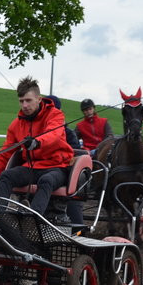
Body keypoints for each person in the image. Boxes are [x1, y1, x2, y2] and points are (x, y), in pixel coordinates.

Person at [0, 77, 74, 216]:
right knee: (6, 176)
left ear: (39, 99)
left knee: (46, 180)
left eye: (28, 100)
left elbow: (54, 134)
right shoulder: (15, 125)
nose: (25, 105)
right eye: (21, 101)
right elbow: (4, 155)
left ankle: (32, 219)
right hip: (32, 167)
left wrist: (37, 142)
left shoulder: (55, 115)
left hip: (57, 167)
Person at [46, 95, 84, 226]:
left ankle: (77, 230)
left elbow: (74, 154)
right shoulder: (38, 131)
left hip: (63, 174)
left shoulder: (69, 133)